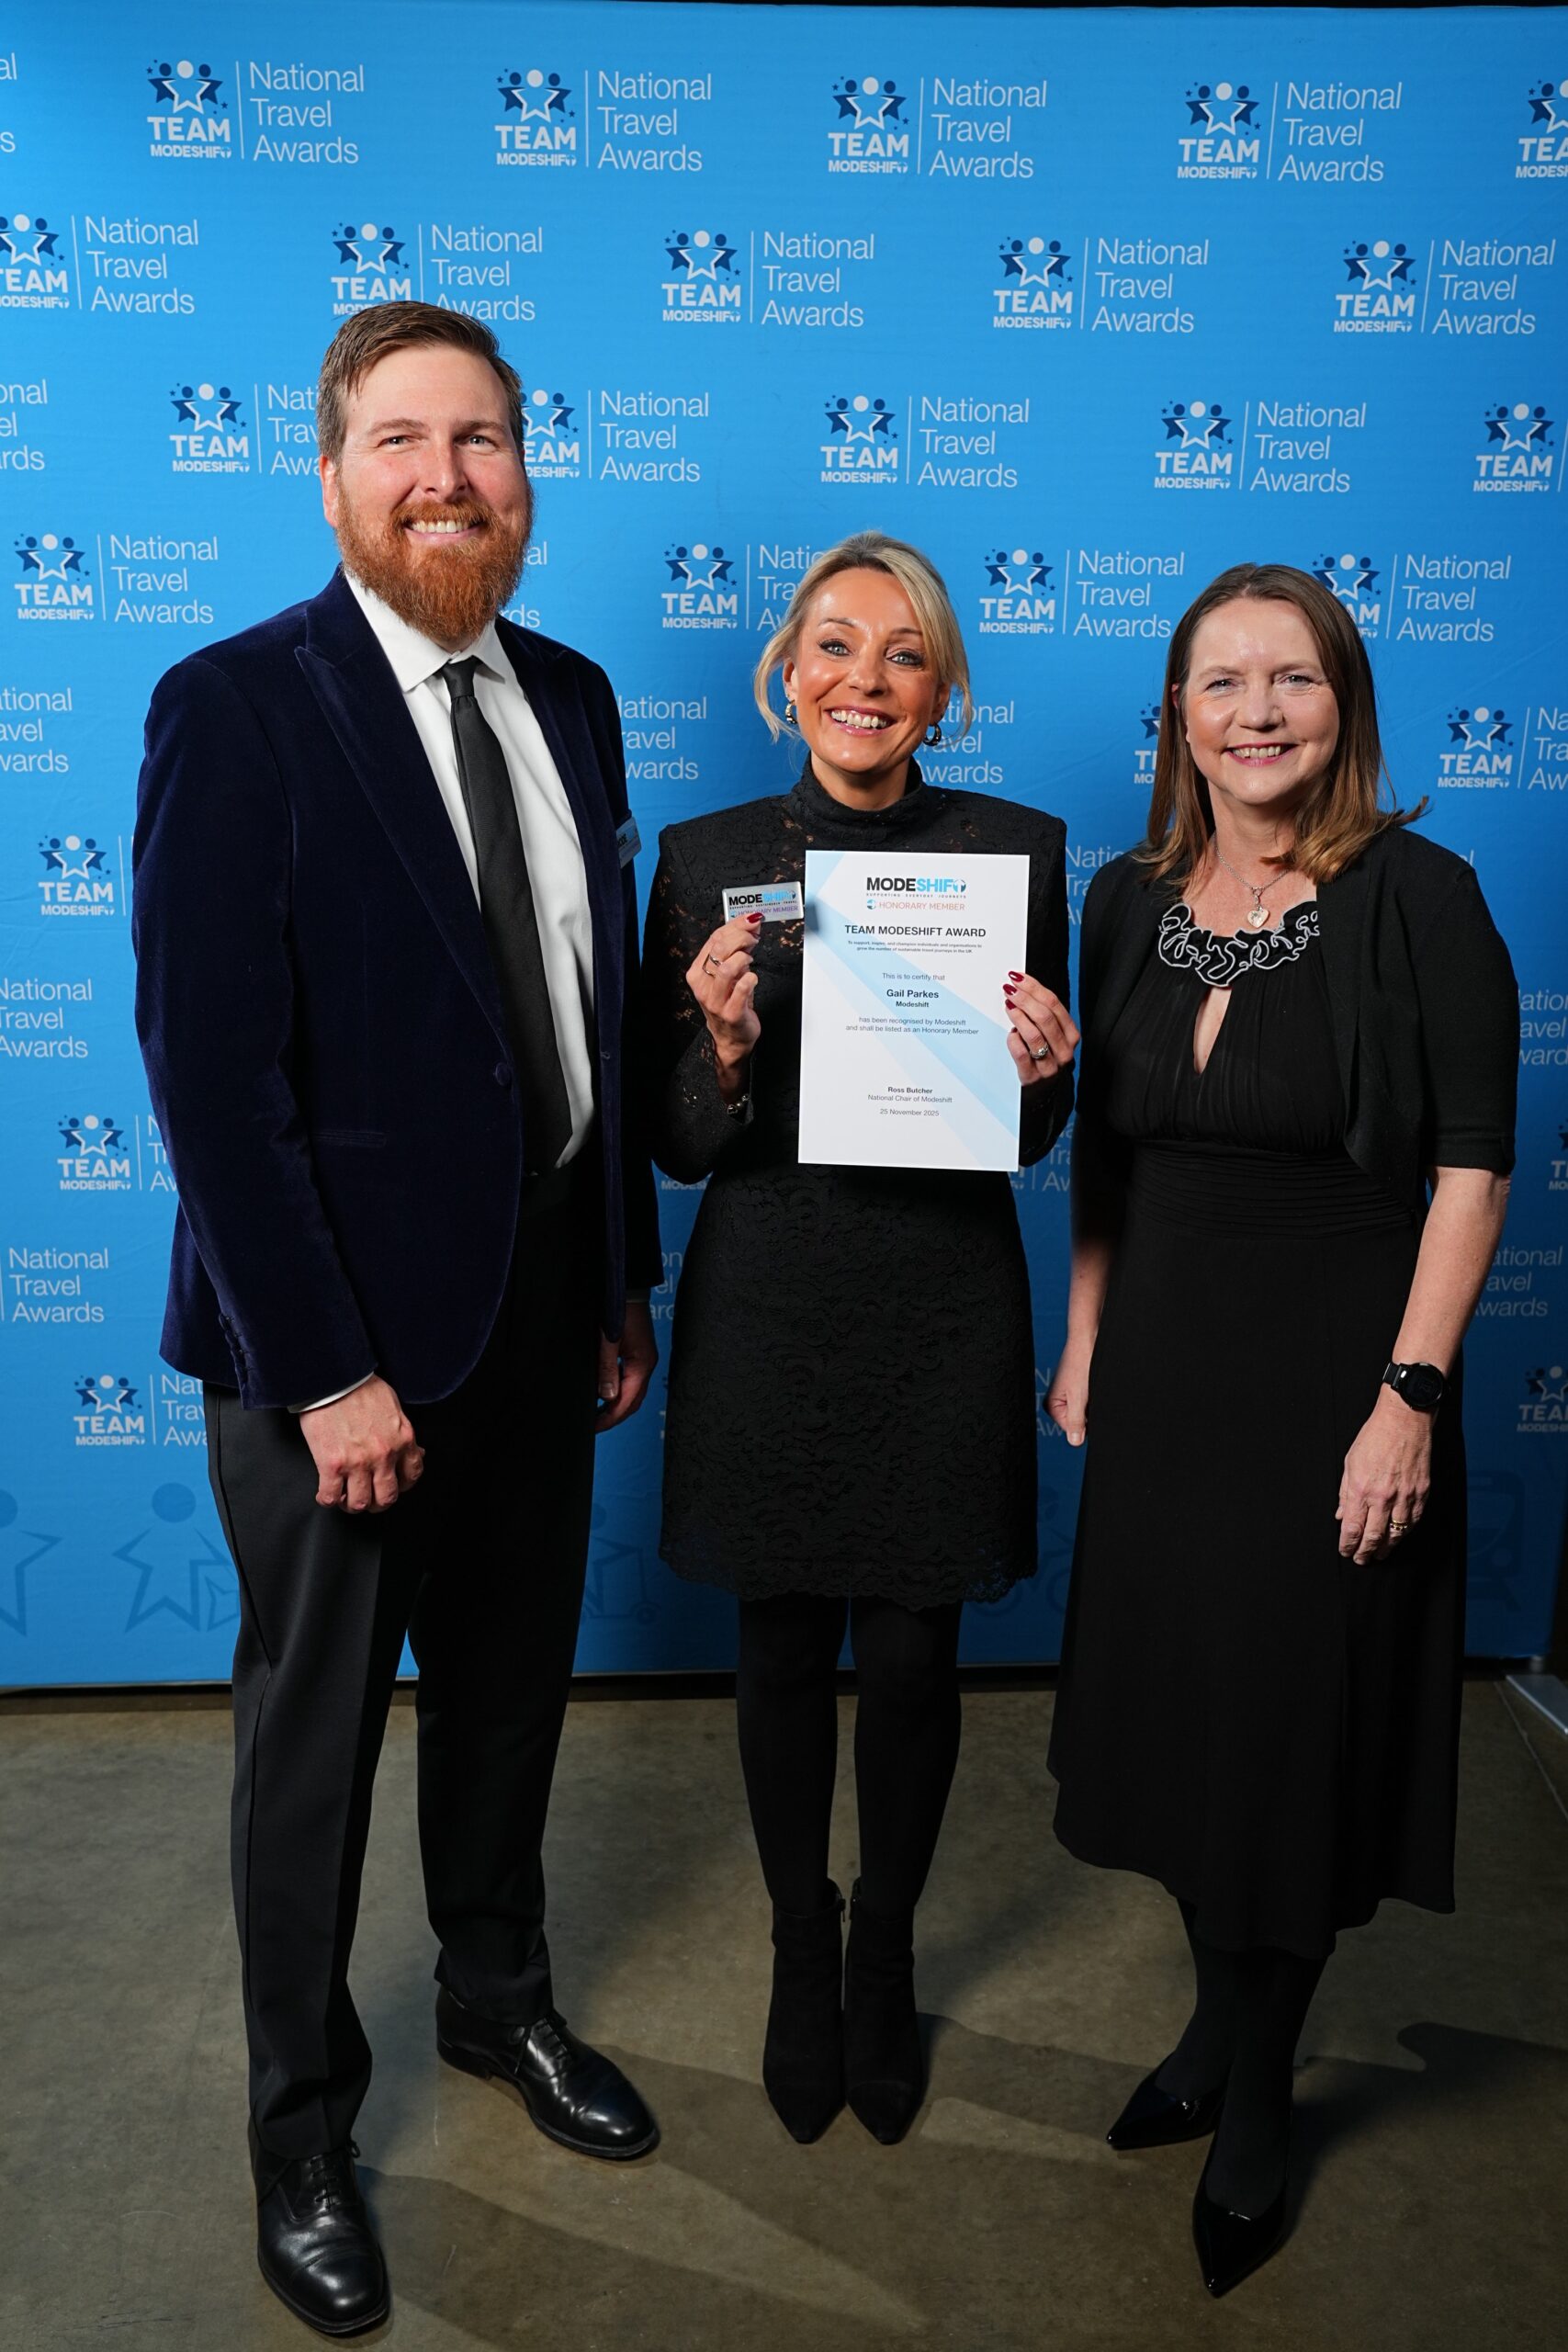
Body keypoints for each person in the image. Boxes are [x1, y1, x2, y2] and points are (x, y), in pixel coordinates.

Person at [132, 302, 662, 2338]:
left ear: (530, 469)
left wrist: (616, 1270)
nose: (450, 474)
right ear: (332, 468)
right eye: (405, 440)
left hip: (543, 1312)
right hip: (334, 1344)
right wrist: (326, 1364)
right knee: (313, 1748)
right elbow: (212, 1071)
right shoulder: (238, 703)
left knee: (514, 1699)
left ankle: (495, 2001)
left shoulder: (582, 697)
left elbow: (578, 1012)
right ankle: (298, 2129)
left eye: (488, 438)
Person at [1046, 564, 1517, 2297]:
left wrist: (1410, 1400)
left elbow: (1472, 1169)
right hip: (1166, 1373)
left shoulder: (1424, 896)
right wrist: (1087, 1337)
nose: (1256, 711)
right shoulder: (1124, 899)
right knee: (1186, 1727)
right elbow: (1105, 1147)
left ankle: (1256, 2099)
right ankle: (1209, 2022)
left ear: (1344, 705)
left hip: (1341, 1378)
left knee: (1291, 1741)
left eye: (1292, 681)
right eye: (1222, 681)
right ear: (1178, 713)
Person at [641, 532, 1077, 2146]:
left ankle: (885, 1941)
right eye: (832, 647)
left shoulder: (1018, 850)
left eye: (902, 655)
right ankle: (796, 1945)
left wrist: (1045, 1074)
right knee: (778, 1642)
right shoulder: (703, 856)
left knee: (909, 1650)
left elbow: (1032, 1134)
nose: (864, 682)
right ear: (783, 674)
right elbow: (678, 1143)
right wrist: (727, 1046)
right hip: (770, 1295)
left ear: (943, 689)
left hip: (943, 1299)